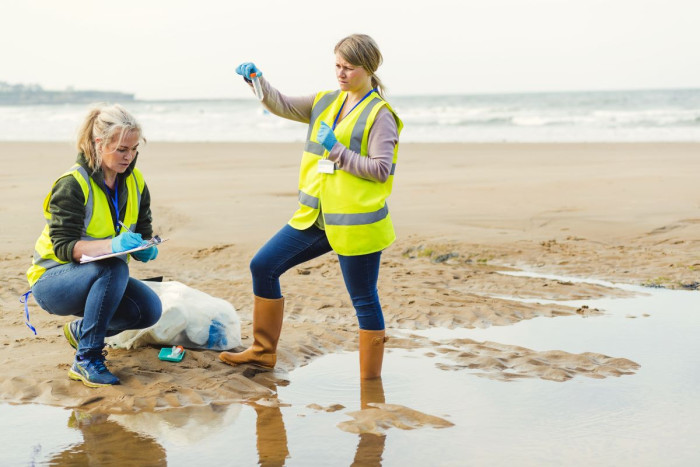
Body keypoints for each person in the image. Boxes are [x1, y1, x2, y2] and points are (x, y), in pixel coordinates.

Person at [220, 34, 403, 380]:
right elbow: (282, 104)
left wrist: (337, 151)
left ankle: (370, 382)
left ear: (369, 69)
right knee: (263, 266)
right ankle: (262, 353)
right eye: (337, 65)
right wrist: (257, 81)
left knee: (363, 298)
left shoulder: (381, 115)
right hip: (315, 217)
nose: (341, 73)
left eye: (349, 67)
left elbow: (380, 171)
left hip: (355, 224)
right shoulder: (326, 101)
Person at [26, 104, 162, 388]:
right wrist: (112, 245)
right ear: (100, 144)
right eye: (122, 149)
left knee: (148, 310)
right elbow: (64, 247)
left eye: (134, 148)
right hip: (53, 280)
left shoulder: (136, 182)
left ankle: (80, 331)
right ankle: (86, 359)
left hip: (101, 277)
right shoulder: (72, 184)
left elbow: (144, 230)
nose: (129, 156)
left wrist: (146, 247)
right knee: (112, 266)